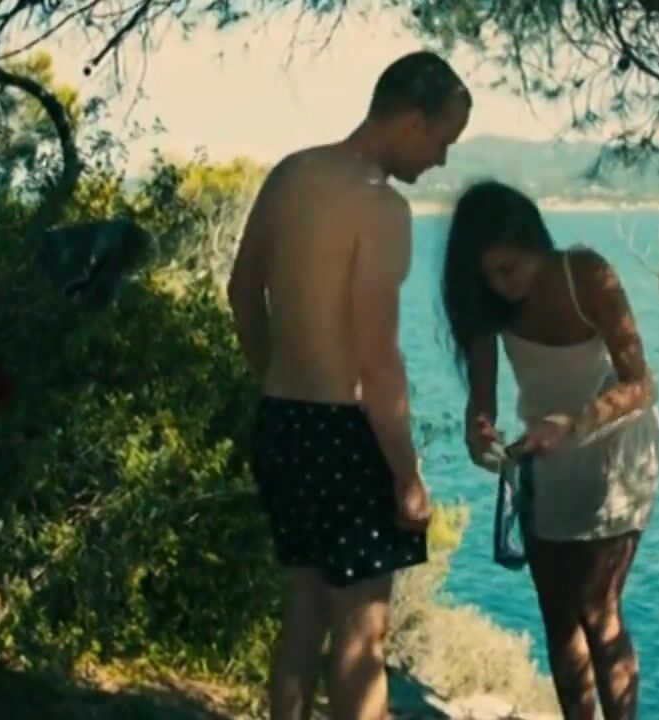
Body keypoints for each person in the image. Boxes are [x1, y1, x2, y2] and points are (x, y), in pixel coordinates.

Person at [227, 50, 470, 720]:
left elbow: (242, 291)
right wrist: (408, 477)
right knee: (363, 634)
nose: (441, 160)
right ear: (412, 121)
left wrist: (272, 378)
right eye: (443, 140)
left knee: (303, 615)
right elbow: (375, 359)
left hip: (283, 422)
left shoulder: (290, 172)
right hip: (345, 434)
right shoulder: (382, 209)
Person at [441, 180, 659, 720]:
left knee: (598, 609)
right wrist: (480, 433)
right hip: (546, 452)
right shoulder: (486, 304)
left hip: (615, 445)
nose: (501, 285)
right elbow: (483, 400)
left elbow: (640, 384)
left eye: (507, 268)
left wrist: (576, 422)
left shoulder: (585, 273)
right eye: (487, 277)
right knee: (558, 615)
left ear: (530, 240)